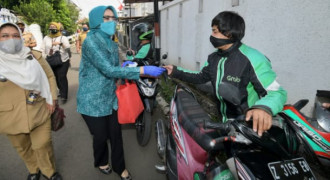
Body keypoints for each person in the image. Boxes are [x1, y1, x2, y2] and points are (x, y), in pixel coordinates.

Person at [76, 5, 165, 180]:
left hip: (110, 97)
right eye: (106, 18)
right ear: (95, 20)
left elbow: (114, 68)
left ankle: (120, 167)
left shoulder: (111, 41)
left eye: (113, 18)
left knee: (116, 135)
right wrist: (142, 71)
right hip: (91, 99)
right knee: (100, 137)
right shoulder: (90, 41)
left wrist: (125, 66)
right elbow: (108, 70)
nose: (111, 21)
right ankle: (101, 161)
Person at [164, 11, 287, 137]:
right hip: (225, 124)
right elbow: (200, 77)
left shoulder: (253, 58)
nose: (211, 35)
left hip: (247, 127)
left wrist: (263, 108)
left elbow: (277, 92)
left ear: (228, 33)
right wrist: (175, 71)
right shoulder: (214, 58)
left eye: (215, 31)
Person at [0, 22, 62, 180]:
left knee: (43, 144)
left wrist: (52, 97)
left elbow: (49, 76)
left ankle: (49, 171)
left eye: (15, 35)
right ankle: (34, 169)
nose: (11, 39)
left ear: (21, 37)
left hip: (39, 108)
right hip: (8, 116)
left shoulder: (33, 56)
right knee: (23, 148)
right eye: (5, 36)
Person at [41, 22, 71, 104]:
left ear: (58, 28)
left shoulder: (63, 38)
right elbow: (42, 49)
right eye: (50, 27)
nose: (52, 28)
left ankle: (64, 96)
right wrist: (44, 58)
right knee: (55, 78)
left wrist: (60, 44)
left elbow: (68, 48)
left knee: (62, 77)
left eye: (54, 27)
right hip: (51, 60)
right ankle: (61, 91)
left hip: (63, 60)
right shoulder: (46, 38)